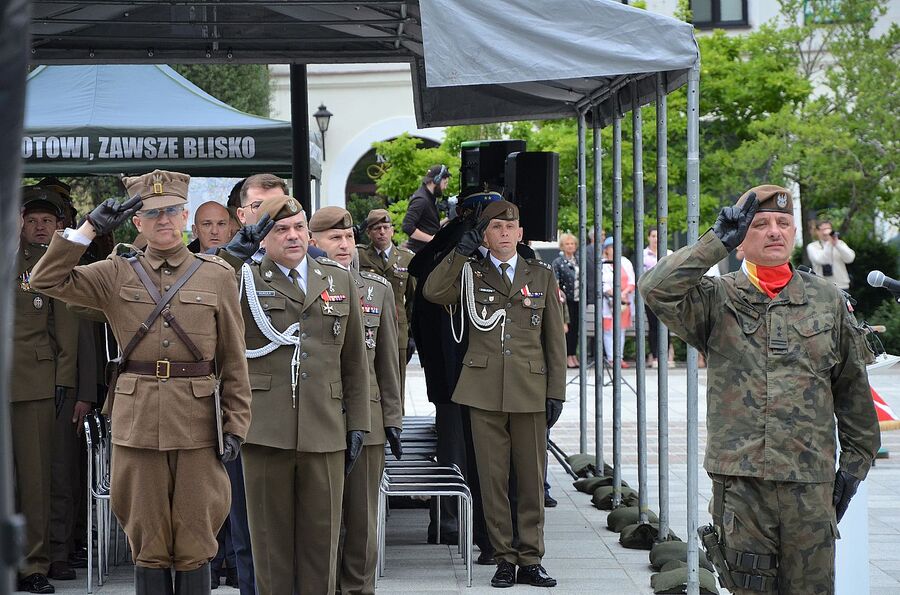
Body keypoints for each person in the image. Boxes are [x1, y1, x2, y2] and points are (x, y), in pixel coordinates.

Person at [639, 185, 880, 594]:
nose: (774, 231)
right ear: (740, 240)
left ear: (794, 233)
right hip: (741, 484)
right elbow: (655, 288)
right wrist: (714, 243)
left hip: (809, 481)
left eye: (783, 223)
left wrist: (854, 467)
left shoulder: (827, 301)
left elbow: (852, 390)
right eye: (760, 223)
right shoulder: (716, 298)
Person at [30, 169, 253, 595]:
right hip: (137, 425)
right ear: (137, 221)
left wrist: (236, 425)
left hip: (198, 425)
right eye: (152, 213)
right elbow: (45, 280)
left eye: (171, 211)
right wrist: (88, 229)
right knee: (147, 542)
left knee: (195, 540)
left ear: (185, 215)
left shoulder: (217, 274)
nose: (162, 220)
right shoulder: (115, 272)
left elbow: (233, 359)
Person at [220, 195, 369, 595]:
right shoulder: (244, 278)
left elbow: (355, 362)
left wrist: (358, 423)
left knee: (322, 544)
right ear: (263, 238)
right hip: (266, 431)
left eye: (299, 227)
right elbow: (206, 290)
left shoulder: (337, 279)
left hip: (325, 429)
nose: (292, 236)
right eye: (281, 229)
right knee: (271, 549)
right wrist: (231, 256)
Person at [423, 200, 566, 589]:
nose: (504, 233)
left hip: (530, 389)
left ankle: (531, 558)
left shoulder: (541, 276)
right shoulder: (470, 273)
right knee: (492, 479)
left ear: (520, 233)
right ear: (484, 236)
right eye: (496, 228)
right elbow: (433, 292)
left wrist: (556, 391)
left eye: (509, 227)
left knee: (531, 480)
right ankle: (503, 558)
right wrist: (459, 252)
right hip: (483, 389)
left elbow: (553, 340)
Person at [307, 206, 403, 595]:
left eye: (348, 237)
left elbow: (389, 361)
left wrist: (393, 419)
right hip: (322, 415)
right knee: (322, 517)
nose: (344, 244)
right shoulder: (303, 288)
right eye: (335, 238)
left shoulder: (377, 289)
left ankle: (359, 589)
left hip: (370, 416)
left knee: (362, 520)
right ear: (313, 242)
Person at [13, 186, 79, 594]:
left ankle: (32, 563)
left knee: (34, 479)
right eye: (30, 219)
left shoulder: (45, 264)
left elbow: (66, 330)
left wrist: (64, 380)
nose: (36, 226)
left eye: (45, 220)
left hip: (32, 382)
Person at [357, 208, 416, 407]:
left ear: (392, 230)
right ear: (368, 233)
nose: (382, 232)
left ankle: (396, 421)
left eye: (385, 227)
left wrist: (411, 334)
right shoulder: (359, 256)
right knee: (368, 379)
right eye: (376, 228)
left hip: (397, 330)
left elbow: (413, 300)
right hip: (367, 328)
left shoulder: (406, 258)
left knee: (395, 383)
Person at [600, 237, 635, 368]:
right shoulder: (602, 263)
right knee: (609, 331)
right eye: (612, 247)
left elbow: (632, 281)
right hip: (608, 303)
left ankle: (619, 357)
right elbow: (603, 284)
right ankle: (611, 358)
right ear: (606, 249)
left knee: (621, 330)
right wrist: (617, 295)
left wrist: (623, 294)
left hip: (624, 303)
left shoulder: (625, 262)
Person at [642, 226, 673, 368]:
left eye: (658, 236)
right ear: (648, 238)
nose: (655, 239)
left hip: (666, 296)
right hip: (650, 296)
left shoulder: (669, 253)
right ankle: (655, 356)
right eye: (653, 236)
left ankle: (665, 356)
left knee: (666, 325)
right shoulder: (643, 255)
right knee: (653, 326)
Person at [402, 164, 451, 252]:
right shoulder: (421, 200)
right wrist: (432, 240)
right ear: (436, 180)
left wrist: (448, 218)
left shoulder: (430, 198)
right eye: (445, 183)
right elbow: (407, 226)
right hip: (420, 252)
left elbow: (429, 227)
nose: (445, 187)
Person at [551, 233, 580, 368]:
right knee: (567, 329)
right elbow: (555, 282)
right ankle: (567, 356)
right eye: (567, 244)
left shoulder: (578, 260)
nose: (570, 246)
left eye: (572, 243)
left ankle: (573, 355)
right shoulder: (558, 262)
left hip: (578, 299)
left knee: (575, 329)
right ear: (562, 246)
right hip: (565, 301)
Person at [806, 220, 856, 291]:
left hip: (841, 286)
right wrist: (829, 243)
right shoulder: (812, 246)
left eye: (828, 229)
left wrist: (837, 244)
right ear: (817, 231)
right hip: (822, 287)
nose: (826, 232)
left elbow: (850, 258)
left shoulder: (839, 243)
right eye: (823, 229)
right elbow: (823, 260)